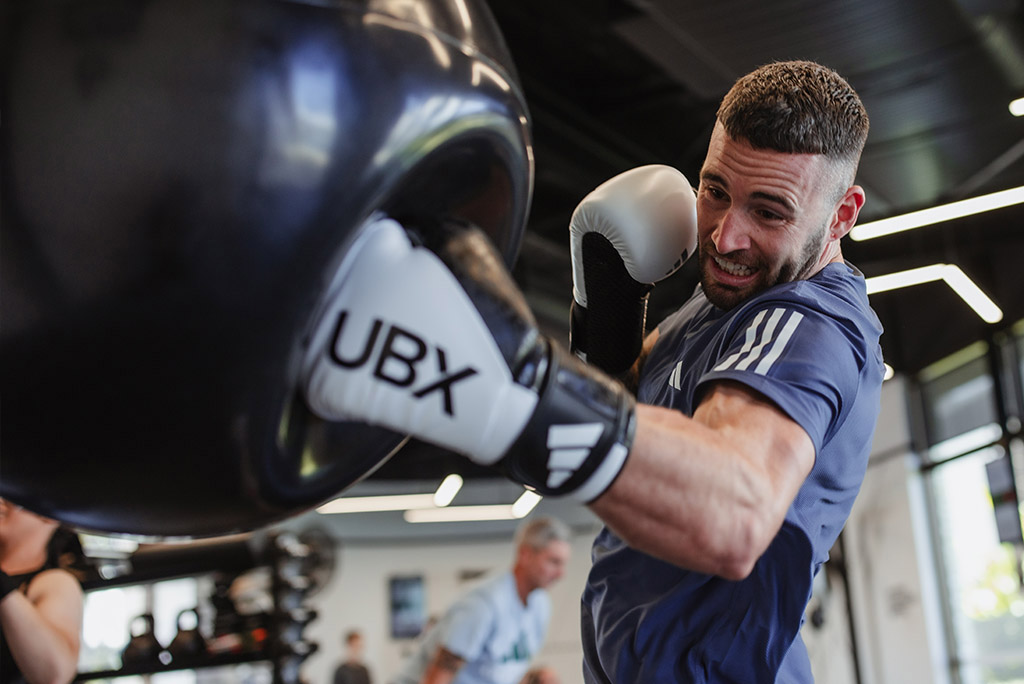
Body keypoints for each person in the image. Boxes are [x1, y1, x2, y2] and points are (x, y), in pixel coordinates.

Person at [303, 59, 883, 682]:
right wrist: (606, 322)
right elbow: (623, 422)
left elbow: (734, 516)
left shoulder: (812, 326)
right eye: (714, 191)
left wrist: (509, 398)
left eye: (769, 212)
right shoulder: (724, 297)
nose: (724, 236)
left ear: (843, 213)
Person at [391, 517, 571, 684]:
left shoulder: (541, 605)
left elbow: (501, 671)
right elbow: (438, 677)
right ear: (525, 554)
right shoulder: (482, 604)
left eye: (563, 564)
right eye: (553, 562)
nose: (560, 574)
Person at [0, 498, 85, 684]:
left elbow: (54, 676)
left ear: (48, 517)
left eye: (12, 498)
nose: (1, 502)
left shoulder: (54, 583)